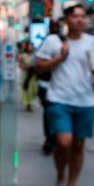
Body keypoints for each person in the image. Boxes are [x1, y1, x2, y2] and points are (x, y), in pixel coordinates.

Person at [35, 4, 94, 186]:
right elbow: (39, 67)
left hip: (85, 101)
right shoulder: (53, 41)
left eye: (83, 16)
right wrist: (60, 58)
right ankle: (60, 179)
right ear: (66, 20)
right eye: (75, 16)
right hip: (59, 99)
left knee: (78, 144)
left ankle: (72, 185)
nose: (80, 20)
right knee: (63, 142)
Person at [36, 20, 61, 155]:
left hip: (57, 85)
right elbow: (39, 65)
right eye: (54, 26)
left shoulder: (60, 41)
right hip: (47, 84)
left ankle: (53, 137)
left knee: (53, 113)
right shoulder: (50, 41)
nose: (56, 28)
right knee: (49, 112)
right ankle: (50, 138)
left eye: (57, 26)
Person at [19, 41, 37, 112]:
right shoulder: (23, 56)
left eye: (32, 46)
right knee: (28, 89)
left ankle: (30, 102)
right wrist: (26, 67)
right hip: (26, 75)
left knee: (34, 89)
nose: (31, 48)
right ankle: (28, 104)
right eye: (29, 46)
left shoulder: (35, 56)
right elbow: (20, 65)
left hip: (33, 75)